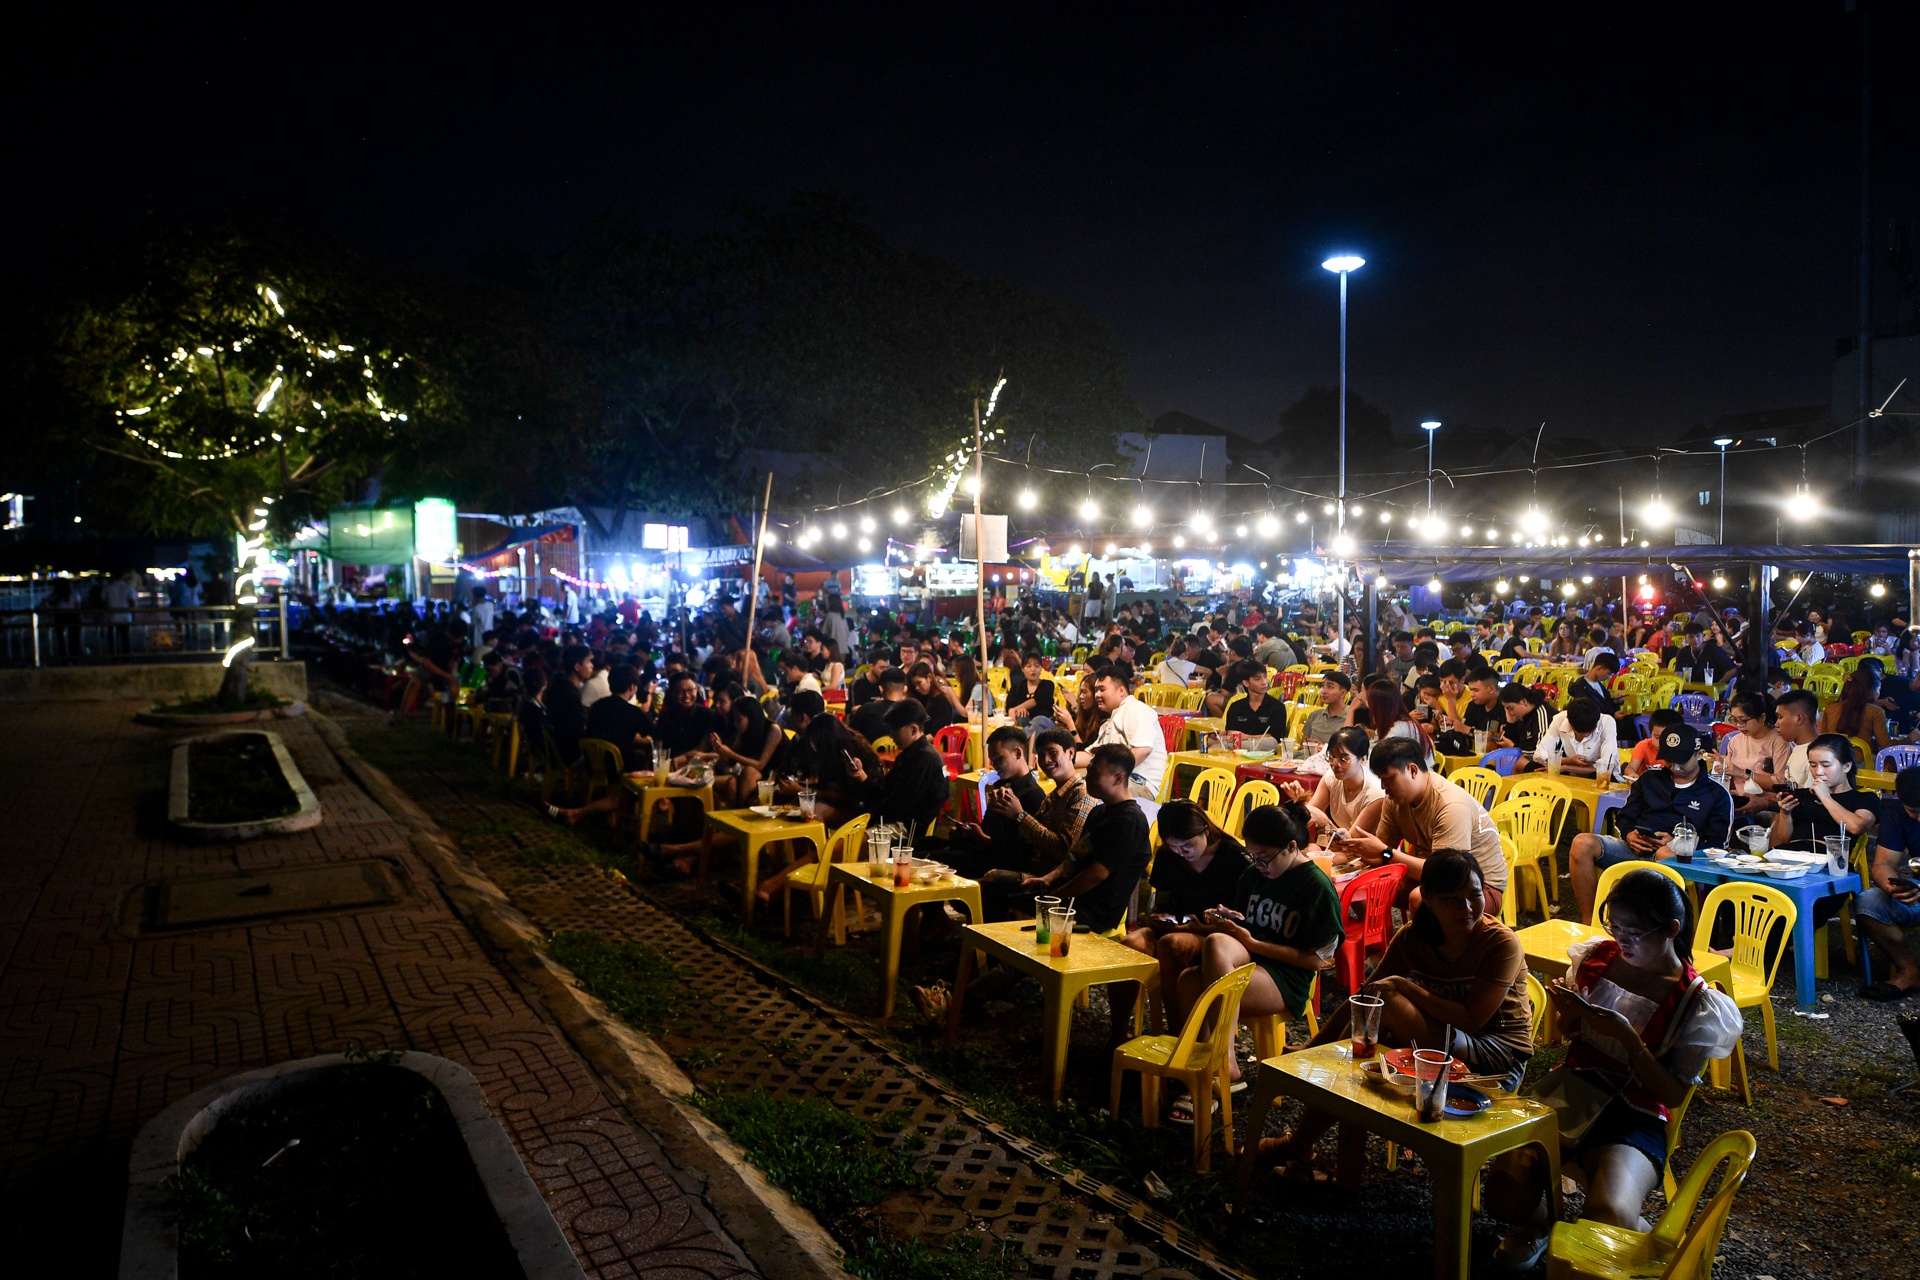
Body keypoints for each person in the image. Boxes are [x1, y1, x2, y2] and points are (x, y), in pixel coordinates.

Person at [1485, 869, 1741, 1271]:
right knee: (1502, 1193)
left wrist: (1630, 1042)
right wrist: (1569, 1016)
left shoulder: (1694, 1000)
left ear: (1671, 929)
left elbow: (1672, 1094)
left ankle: (1636, 1235)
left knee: (1608, 1215)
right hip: (1571, 1090)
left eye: (1633, 932)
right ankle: (1542, 1228)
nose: (1621, 939)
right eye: (1614, 925)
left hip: (1635, 1114)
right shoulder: (1596, 958)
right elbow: (1571, 1035)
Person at [1260, 849, 1533, 1176]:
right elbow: (1363, 999)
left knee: (1384, 1009)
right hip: (1440, 1043)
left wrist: (1408, 988)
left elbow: (1472, 1019)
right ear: (1429, 898)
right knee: (1365, 1048)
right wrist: (1314, 1046)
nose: (1467, 908)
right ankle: (1334, 1170)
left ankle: (1301, 1145)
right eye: (1452, 900)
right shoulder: (1414, 938)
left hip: (1496, 1056)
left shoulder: (1500, 943)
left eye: (1474, 895)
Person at [1155, 803, 1341, 1117]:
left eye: (1264, 857)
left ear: (1291, 847)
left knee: (1204, 966)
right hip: (1250, 961)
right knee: (1194, 970)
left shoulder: (1315, 886)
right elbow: (1246, 922)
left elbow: (1317, 961)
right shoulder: (1254, 873)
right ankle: (1205, 1065)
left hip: (1287, 978)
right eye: (1253, 856)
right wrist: (1225, 918)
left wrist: (1252, 942)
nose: (1258, 865)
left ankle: (1220, 1068)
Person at [1114, 798, 1251, 1047]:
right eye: (1173, 847)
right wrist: (1158, 917)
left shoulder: (1235, 858)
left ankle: (1183, 1040)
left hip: (1217, 935)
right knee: (1129, 943)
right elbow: (1162, 903)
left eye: (1187, 846)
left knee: (1172, 944)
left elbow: (1243, 922)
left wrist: (1200, 926)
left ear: (1205, 831)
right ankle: (1118, 1034)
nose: (1181, 853)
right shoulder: (1169, 856)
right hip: (1179, 924)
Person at [1568, 727, 1734, 924]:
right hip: (1636, 848)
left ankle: (1655, 927)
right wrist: (1629, 834)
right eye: (1669, 759)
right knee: (1582, 843)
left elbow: (1717, 845)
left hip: (1682, 859)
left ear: (1699, 755)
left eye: (1681, 759)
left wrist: (1679, 845)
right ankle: (1590, 920)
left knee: (1664, 854)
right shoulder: (1649, 779)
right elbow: (1625, 816)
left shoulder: (1716, 795)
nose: (1674, 766)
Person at [1330, 737, 1507, 915]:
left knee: (1419, 898)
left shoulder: (1451, 806)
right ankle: (1379, 941)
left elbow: (1445, 875)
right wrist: (1355, 848)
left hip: (1476, 886)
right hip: (1430, 875)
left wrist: (1387, 852)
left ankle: (1422, 943)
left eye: (1389, 779)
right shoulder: (1395, 800)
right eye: (1381, 780)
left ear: (1412, 770)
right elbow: (1381, 857)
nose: (1384, 787)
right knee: (1358, 884)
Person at [1020, 743, 1152, 934]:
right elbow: (1075, 856)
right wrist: (1048, 879)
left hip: (1095, 913)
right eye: (1088, 771)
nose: (1086, 778)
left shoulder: (1129, 820)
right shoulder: (1099, 811)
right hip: (1072, 899)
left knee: (1025, 929)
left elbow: (1098, 874)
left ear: (1118, 778)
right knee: (1002, 893)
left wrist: (1056, 897)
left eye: (1094, 774)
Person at [985, 727, 1098, 878]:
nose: (1046, 760)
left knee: (990, 879)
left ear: (1070, 753)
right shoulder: (1053, 796)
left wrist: (1020, 815)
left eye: (1053, 753)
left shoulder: (1081, 794)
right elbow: (1031, 841)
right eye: (1041, 755)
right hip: (1034, 868)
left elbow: (1063, 851)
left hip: (1052, 880)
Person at [945, 726, 1050, 880]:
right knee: (926, 848)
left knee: (933, 863)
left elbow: (1023, 852)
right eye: (992, 761)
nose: (995, 765)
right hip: (979, 852)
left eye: (999, 759)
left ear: (1018, 753)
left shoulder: (1033, 795)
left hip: (998, 865)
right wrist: (968, 833)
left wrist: (981, 837)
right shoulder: (1001, 786)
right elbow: (990, 828)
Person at [1858, 767, 1920, 999]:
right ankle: (1909, 971)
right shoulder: (1896, 813)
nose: (1919, 818)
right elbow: (1882, 865)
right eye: (1913, 812)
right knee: (1869, 901)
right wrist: (1893, 888)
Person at [850, 699, 951, 830]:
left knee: (850, 842)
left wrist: (869, 816)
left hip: (907, 828)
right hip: (894, 819)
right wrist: (862, 775)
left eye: (895, 730)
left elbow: (900, 806)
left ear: (913, 730)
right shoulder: (909, 754)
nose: (891, 735)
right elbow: (885, 790)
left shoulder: (924, 760)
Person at [1768, 733, 1877, 852]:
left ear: (1846, 766)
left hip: (1827, 859)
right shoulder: (1801, 795)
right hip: (1792, 855)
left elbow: (1856, 827)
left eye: (1826, 765)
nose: (1818, 772)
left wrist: (1825, 797)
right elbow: (1784, 841)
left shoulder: (1864, 798)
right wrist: (1785, 813)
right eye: (1813, 765)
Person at [1075, 668, 1167, 799]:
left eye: (1102, 689)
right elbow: (1090, 756)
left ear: (1121, 691)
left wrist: (1109, 775)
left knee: (1084, 793)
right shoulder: (1110, 722)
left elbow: (1143, 750)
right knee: (1070, 781)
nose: (1097, 695)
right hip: (1119, 779)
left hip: (1138, 783)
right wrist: (1063, 760)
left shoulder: (1136, 709)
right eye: (1096, 690)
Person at [1283, 725, 1384, 843]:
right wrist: (1300, 802)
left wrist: (1325, 822)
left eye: (1343, 759)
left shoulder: (1375, 794)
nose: (1334, 764)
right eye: (1331, 757)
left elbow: (1352, 844)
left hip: (1367, 855)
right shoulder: (1331, 778)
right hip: (1341, 848)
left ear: (1363, 759)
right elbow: (1310, 815)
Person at [1820, 663, 1905, 756]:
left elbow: (1824, 737)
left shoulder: (1831, 707)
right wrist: (1911, 739)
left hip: (1834, 761)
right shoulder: (1875, 711)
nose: (1879, 693)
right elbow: (1887, 745)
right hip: (1863, 765)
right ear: (1871, 690)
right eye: (1879, 689)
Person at [1523, 697, 1619, 778]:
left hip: (1600, 775)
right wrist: (1568, 761)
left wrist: (1565, 767)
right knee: (1533, 767)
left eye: (1590, 732)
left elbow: (1606, 765)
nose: (1585, 735)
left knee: (1599, 774)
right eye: (1581, 733)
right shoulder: (1560, 719)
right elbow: (1538, 755)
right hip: (1571, 773)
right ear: (1569, 722)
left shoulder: (1607, 722)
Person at [1753, 688, 1819, 793]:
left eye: (1780, 717)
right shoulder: (1797, 747)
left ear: (1798, 718)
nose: (1776, 724)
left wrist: (1765, 804)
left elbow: (1808, 804)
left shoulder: (1817, 756)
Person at [544, 643, 592, 763]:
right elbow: (578, 726)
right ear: (577, 666)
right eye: (588, 661)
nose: (592, 666)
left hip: (557, 747)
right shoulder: (569, 693)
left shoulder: (560, 686)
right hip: (569, 752)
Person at [1223, 660, 1286, 738]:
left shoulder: (1277, 707)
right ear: (1246, 683)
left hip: (1266, 748)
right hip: (1239, 749)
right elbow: (1231, 734)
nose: (1264, 682)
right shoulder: (1236, 707)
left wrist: (1247, 737)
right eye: (1257, 679)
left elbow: (1276, 738)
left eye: (1265, 677)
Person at [848, 667, 909, 743]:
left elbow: (850, 736)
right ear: (905, 689)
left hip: (871, 754)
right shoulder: (911, 712)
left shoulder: (866, 710)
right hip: (905, 754)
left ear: (881, 689)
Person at [1625, 708, 1685, 780]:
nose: (1661, 743)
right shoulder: (1643, 746)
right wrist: (1632, 775)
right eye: (1657, 737)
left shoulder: (1682, 750)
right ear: (1651, 733)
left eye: (1667, 739)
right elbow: (1630, 768)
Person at [1300, 671, 1353, 745]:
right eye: (1322, 686)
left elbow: (1348, 750)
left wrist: (1323, 748)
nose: (1323, 691)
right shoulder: (1315, 715)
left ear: (1343, 693)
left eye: (1330, 687)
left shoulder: (1351, 717)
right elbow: (1302, 745)